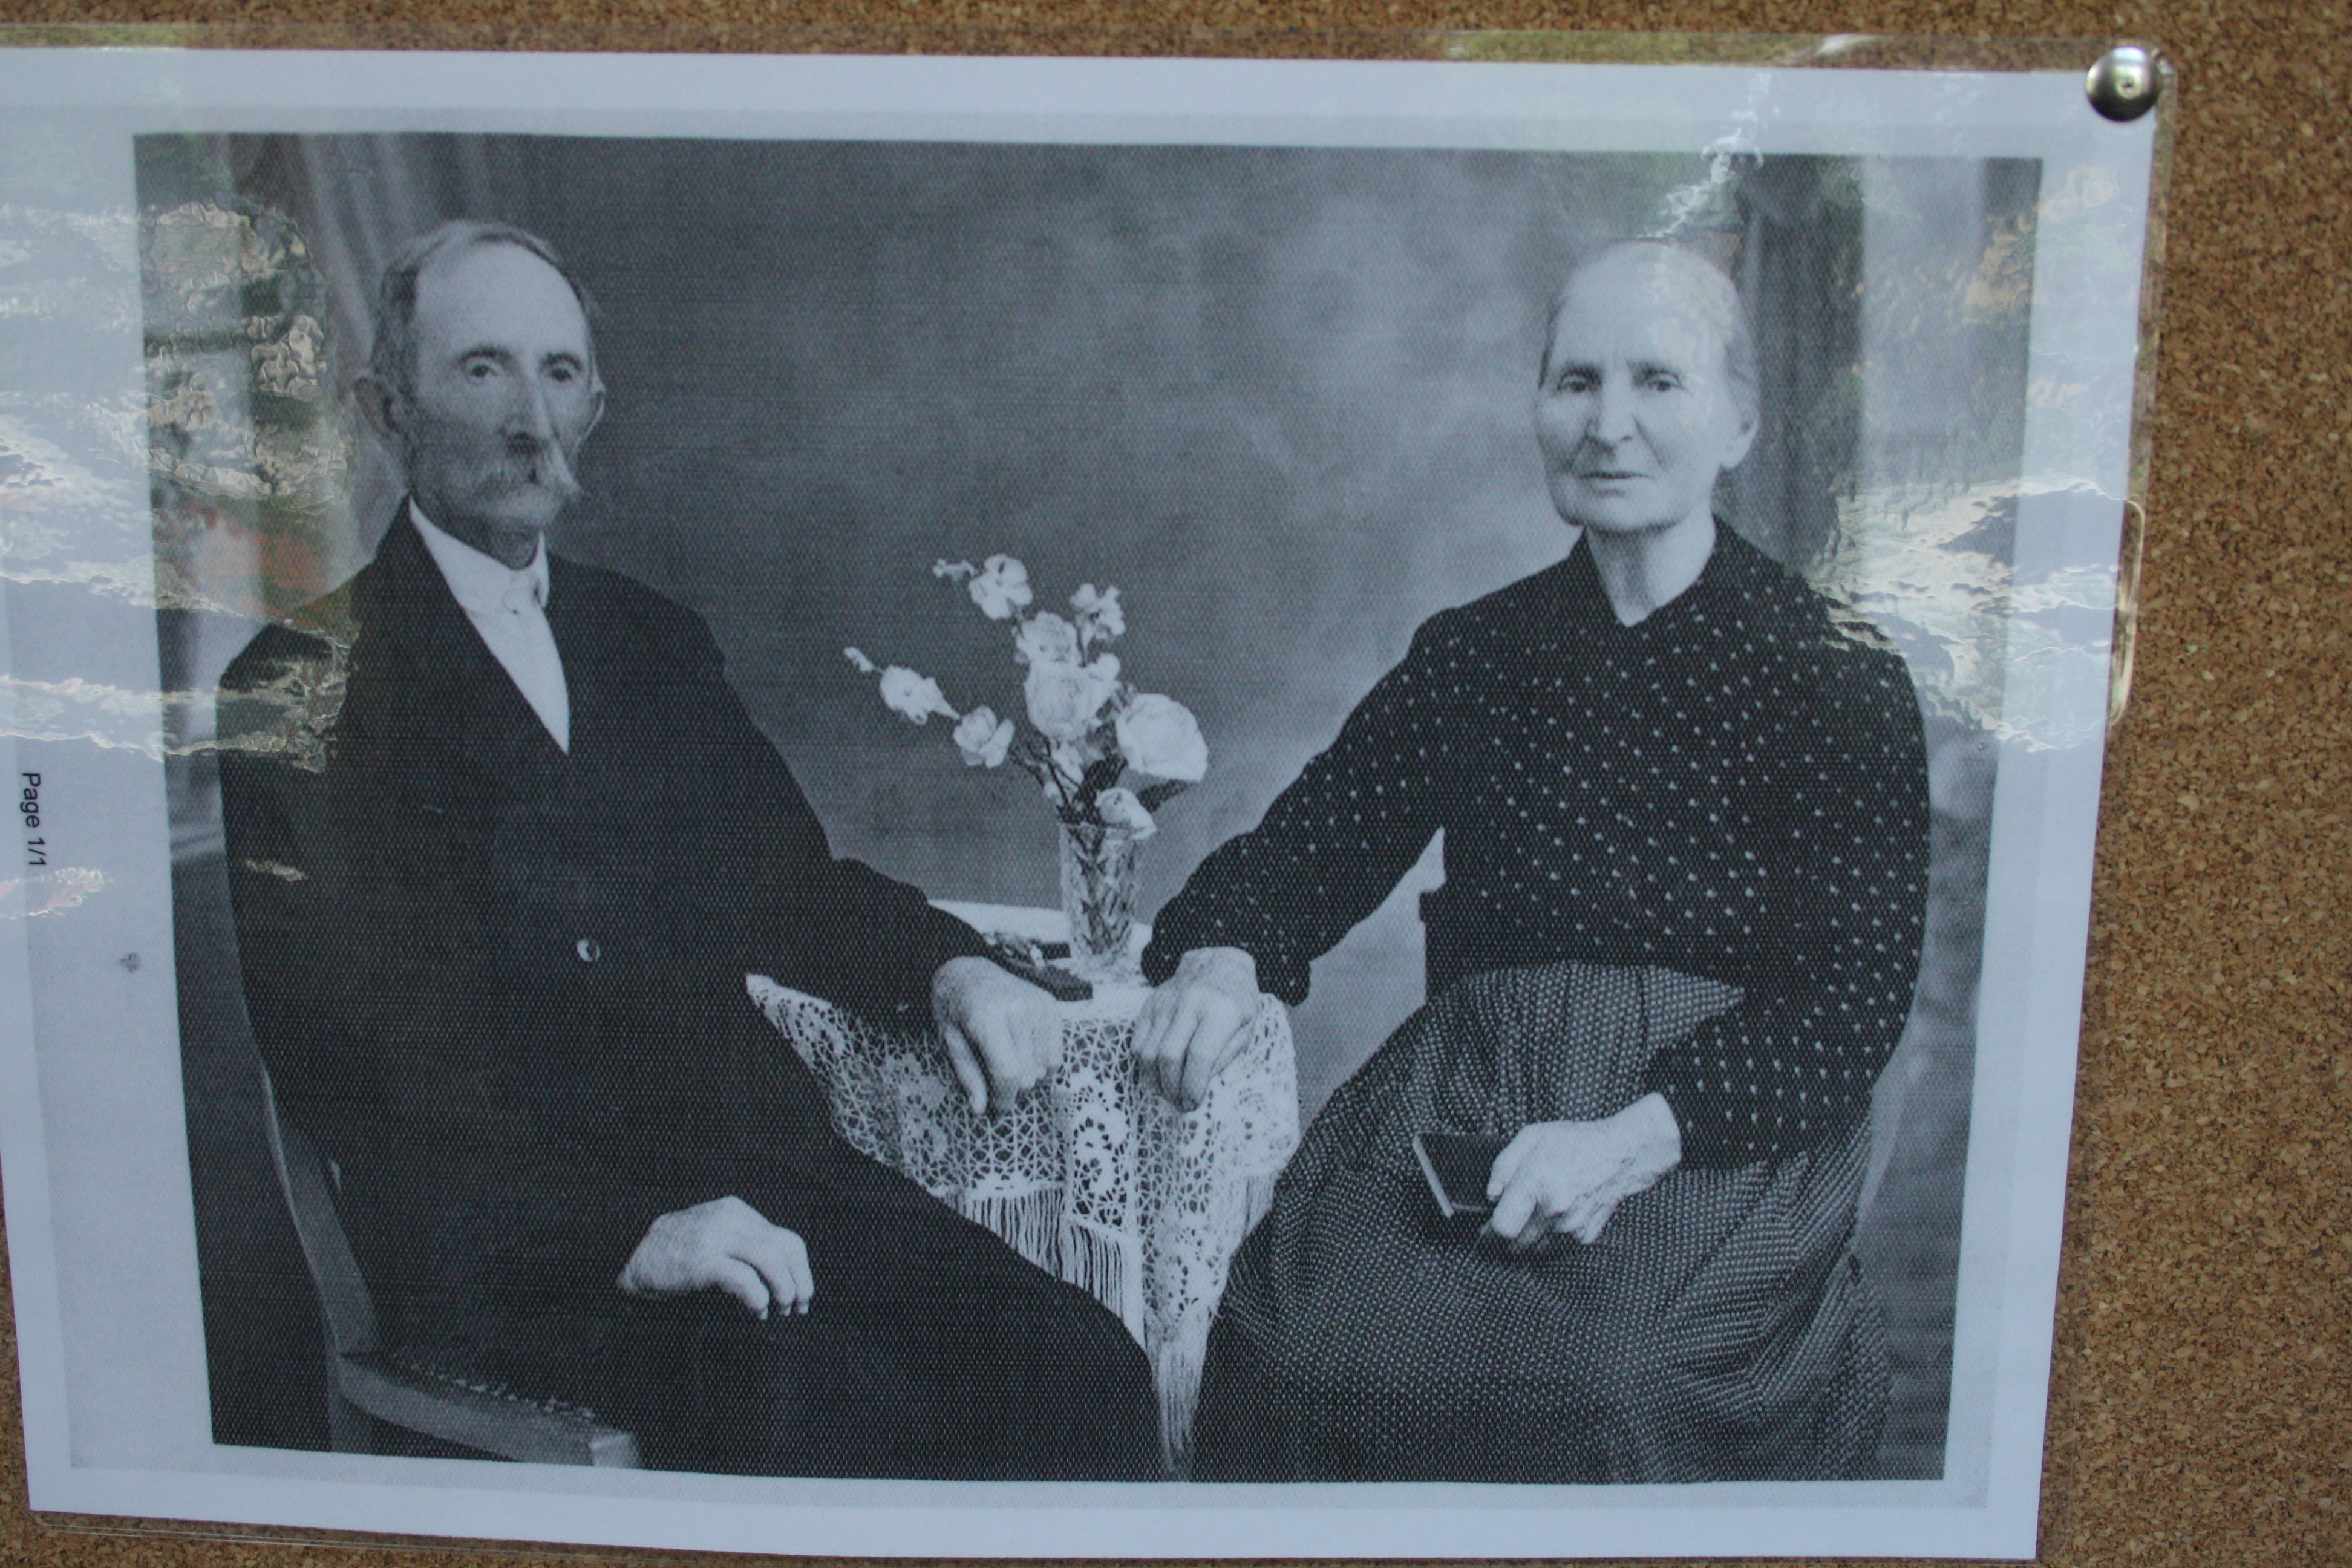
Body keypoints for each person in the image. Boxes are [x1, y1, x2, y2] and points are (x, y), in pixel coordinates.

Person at [216, 220, 1158, 1479]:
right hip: (523, 1253)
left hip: (767, 1181)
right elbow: (361, 1066)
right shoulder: (301, 687)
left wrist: (951, 969)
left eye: (558, 374)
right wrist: (628, 1233)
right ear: (388, 408)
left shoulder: (645, 640)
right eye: (483, 369)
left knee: (1079, 1365)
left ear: (594, 407)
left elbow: (790, 889)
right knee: (830, 1414)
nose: (529, 420)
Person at [1131, 240, 1930, 1483]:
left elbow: (1849, 1002)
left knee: (1603, 1388)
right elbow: (1316, 843)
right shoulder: (1478, 653)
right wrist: (1229, 951)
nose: (1608, 425)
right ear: (1539, 405)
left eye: (1657, 382)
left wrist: (1628, 1143)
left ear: (1739, 423)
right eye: (1576, 382)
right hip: (1471, 1097)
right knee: (1295, 1358)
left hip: (1708, 1132)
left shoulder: (1836, 673)